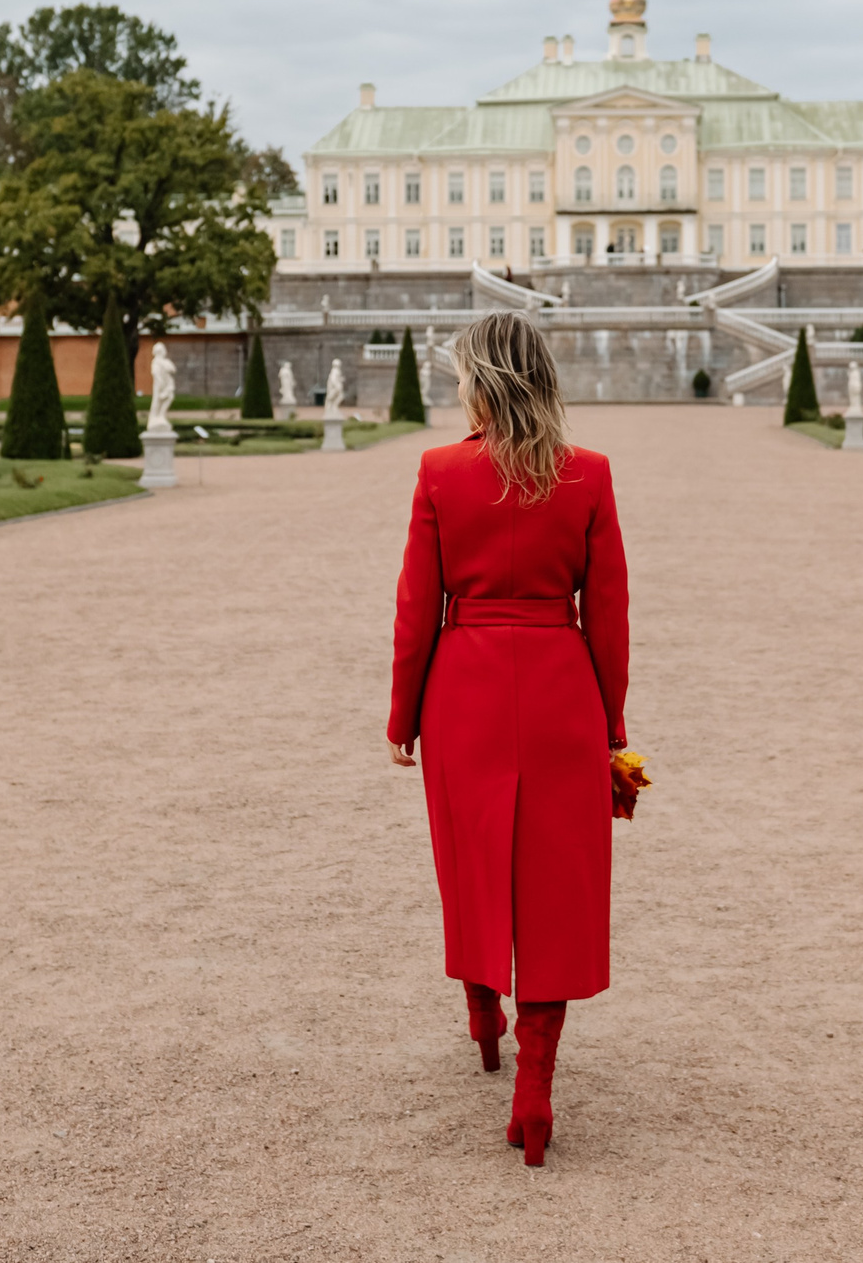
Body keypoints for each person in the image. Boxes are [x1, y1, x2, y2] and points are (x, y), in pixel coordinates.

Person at [386, 311, 629, 1168]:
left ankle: (482, 1013)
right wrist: (614, 725)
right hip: (563, 691)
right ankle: (534, 1088)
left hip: (465, 692)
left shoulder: (440, 471)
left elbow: (416, 610)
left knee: (476, 858)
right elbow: (609, 618)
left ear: (482, 380)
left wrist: (402, 716)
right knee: (557, 885)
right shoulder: (589, 475)